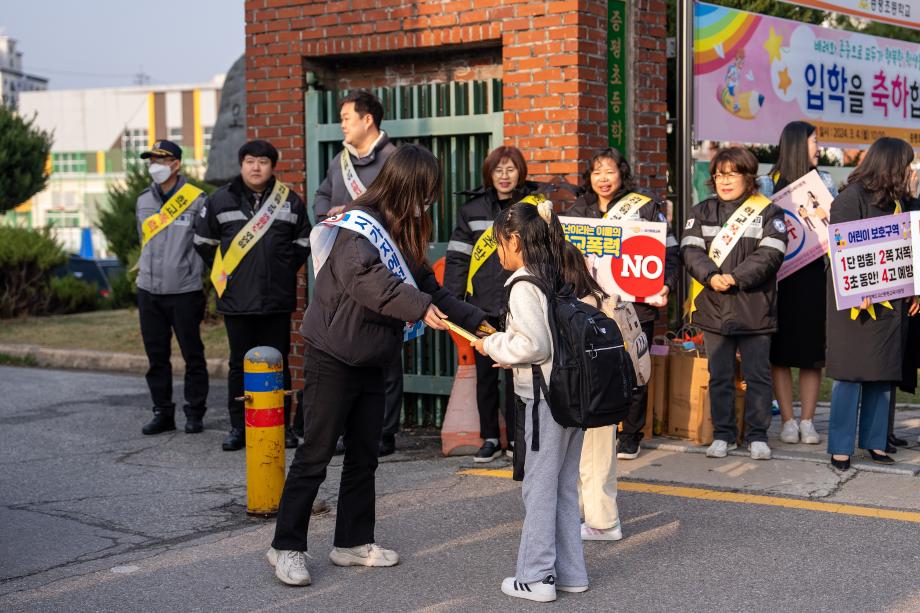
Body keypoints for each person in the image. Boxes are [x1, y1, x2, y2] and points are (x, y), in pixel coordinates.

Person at [266, 144, 487, 587]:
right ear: (406, 186)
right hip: (333, 353)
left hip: (374, 355)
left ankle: (352, 541)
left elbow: (430, 287)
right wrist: (419, 307)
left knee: (364, 455)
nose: (428, 202)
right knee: (315, 454)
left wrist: (478, 322)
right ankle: (285, 546)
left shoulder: (402, 230)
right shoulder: (359, 225)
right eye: (425, 192)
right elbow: (367, 280)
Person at [471, 199, 587, 603]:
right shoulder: (554, 273)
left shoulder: (523, 283)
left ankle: (536, 577)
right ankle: (571, 573)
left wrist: (492, 344)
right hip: (572, 396)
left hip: (544, 400)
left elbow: (535, 345)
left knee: (538, 488)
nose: (497, 251)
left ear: (515, 240)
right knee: (564, 487)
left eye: (499, 242)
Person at [194, 140, 311, 451]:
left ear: (272, 166)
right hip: (237, 299)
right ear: (241, 165)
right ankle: (239, 427)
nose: (256, 167)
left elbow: (304, 242)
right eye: (249, 161)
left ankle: (281, 426)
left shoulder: (289, 201)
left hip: (276, 299)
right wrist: (228, 273)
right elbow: (203, 242)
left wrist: (281, 269)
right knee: (239, 365)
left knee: (278, 363)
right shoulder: (220, 200)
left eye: (262, 162)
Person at [567, 147, 679, 460]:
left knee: (634, 367)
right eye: (597, 172)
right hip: (588, 304)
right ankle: (595, 428)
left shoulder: (644, 206)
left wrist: (666, 284)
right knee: (591, 367)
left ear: (622, 174)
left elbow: (671, 253)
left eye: (610, 171)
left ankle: (630, 434)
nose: (603, 178)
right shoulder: (578, 211)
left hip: (634, 306)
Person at [681, 146, 788, 461]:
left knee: (757, 376)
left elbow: (771, 254)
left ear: (748, 176)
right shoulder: (701, 211)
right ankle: (723, 435)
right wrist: (711, 276)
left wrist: (735, 278)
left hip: (755, 306)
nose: (724, 181)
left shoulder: (769, 212)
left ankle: (757, 436)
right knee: (720, 375)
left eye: (732, 174)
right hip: (713, 304)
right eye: (719, 175)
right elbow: (690, 251)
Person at [312, 90, 403, 457]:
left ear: (368, 120)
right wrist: (329, 214)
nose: (342, 125)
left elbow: (404, 210)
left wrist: (352, 211)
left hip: (382, 266)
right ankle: (347, 430)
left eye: (347, 118)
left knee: (385, 349)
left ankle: (384, 432)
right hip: (344, 268)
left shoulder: (394, 160)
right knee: (344, 345)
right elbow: (321, 198)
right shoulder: (340, 162)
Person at [444, 146, 549, 462]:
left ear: (521, 172)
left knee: (520, 375)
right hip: (482, 306)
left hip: (521, 303)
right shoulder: (472, 210)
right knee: (486, 377)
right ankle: (490, 437)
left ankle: (518, 438)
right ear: (489, 174)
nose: (504, 176)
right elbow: (458, 258)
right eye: (498, 170)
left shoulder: (534, 207)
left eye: (510, 169)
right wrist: (452, 301)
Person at [825, 137, 918, 470]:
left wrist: (915, 289)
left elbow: (909, 249)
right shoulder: (850, 198)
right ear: (891, 165)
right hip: (857, 304)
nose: (909, 170)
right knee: (850, 374)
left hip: (892, 302)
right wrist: (857, 288)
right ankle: (840, 447)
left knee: (883, 372)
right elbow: (841, 251)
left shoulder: (899, 202)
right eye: (906, 164)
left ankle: (875, 442)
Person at [757, 121, 837, 447]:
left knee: (810, 353)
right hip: (777, 280)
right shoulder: (766, 184)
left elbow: (835, 225)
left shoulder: (824, 181)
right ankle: (788, 421)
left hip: (814, 277)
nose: (819, 148)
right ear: (798, 144)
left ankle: (808, 421)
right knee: (779, 353)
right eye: (815, 141)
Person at [134, 139, 209, 436]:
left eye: (161, 160)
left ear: (176, 164)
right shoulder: (143, 200)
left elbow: (204, 244)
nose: (155, 166)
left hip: (184, 290)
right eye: (151, 160)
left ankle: (195, 412)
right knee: (156, 357)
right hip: (148, 290)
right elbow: (142, 240)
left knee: (193, 354)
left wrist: (194, 273)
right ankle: (162, 412)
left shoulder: (196, 199)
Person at [558, 243, 623, 542]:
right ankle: (590, 514)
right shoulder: (603, 298)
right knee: (593, 458)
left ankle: (604, 524)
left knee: (593, 461)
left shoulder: (576, 307)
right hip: (607, 391)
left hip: (589, 393)